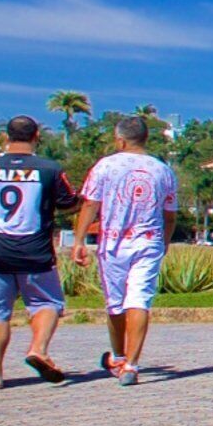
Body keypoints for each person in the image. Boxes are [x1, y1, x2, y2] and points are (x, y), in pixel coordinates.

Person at [0, 116, 79, 387]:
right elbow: (68, 202)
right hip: (36, 252)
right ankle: (38, 348)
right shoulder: (49, 169)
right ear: (36, 137)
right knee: (47, 303)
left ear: (6, 137)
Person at [77, 112, 179, 384]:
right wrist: (165, 241)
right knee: (139, 300)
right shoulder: (162, 170)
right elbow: (170, 214)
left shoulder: (105, 166)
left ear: (120, 141)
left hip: (113, 243)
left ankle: (121, 356)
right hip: (149, 241)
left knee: (116, 303)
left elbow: (90, 204)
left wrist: (78, 241)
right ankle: (130, 363)